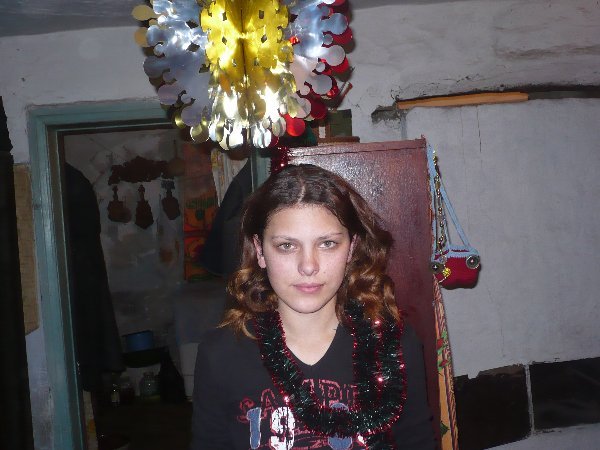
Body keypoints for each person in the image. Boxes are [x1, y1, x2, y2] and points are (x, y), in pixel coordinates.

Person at [191, 164, 436, 449]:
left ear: (351, 248)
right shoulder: (220, 354)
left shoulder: (393, 345)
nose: (308, 266)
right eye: (287, 246)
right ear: (259, 250)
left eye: (327, 243)